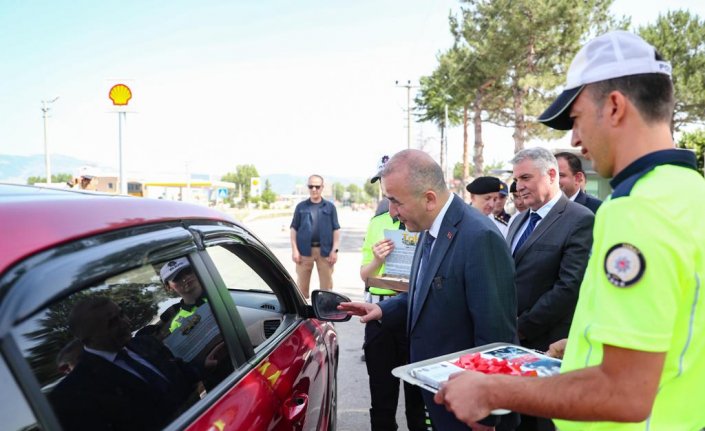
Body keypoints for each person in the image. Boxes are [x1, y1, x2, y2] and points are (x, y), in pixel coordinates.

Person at [434, 30, 705, 431]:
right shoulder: (690, 192)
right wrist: (580, 347)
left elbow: (624, 392)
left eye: (576, 119)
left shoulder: (635, 210)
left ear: (614, 106)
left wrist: (493, 390)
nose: (576, 140)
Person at [339, 149, 518, 431]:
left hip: (468, 408)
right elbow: (429, 292)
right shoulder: (427, 228)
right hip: (437, 391)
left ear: (430, 199)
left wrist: (487, 413)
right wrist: (384, 309)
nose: (393, 213)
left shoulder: (479, 237)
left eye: (396, 202)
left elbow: (495, 337)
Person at [505, 147, 594, 431]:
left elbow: (568, 287)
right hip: (512, 346)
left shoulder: (579, 219)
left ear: (552, 174)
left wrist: (522, 326)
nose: (519, 186)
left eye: (526, 178)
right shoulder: (518, 220)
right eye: (517, 179)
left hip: (550, 348)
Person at [49, 296, 200, 431]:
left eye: (121, 314)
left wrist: (205, 366)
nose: (126, 322)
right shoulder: (75, 393)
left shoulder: (146, 343)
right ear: (88, 338)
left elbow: (182, 376)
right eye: (112, 322)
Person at [359, 156, 427, 431]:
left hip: (415, 316)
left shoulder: (423, 221)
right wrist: (376, 259)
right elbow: (365, 275)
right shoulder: (378, 223)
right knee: (382, 398)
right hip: (380, 316)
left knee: (417, 400)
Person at [290, 174, 341, 299]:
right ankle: (303, 314)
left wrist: (334, 251)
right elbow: (293, 228)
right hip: (304, 252)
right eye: (311, 186)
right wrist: (295, 250)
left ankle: (325, 313)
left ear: (322, 187)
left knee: (327, 287)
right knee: (301, 287)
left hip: (325, 252)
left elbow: (336, 229)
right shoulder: (301, 207)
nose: (314, 189)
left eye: (317, 186)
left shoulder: (330, 207)